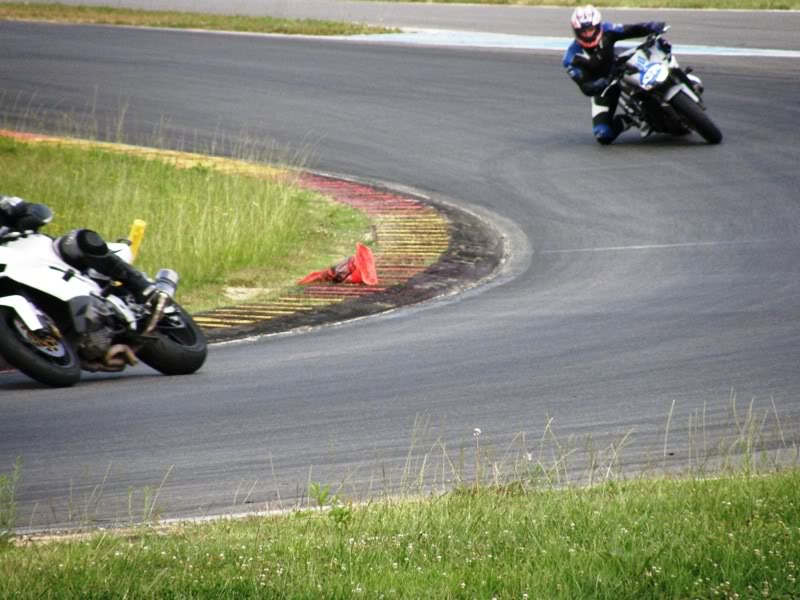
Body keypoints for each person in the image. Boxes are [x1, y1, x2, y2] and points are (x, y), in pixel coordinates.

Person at [0, 195, 155, 303]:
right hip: (10, 283)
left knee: (78, 240)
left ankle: (142, 287)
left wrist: (24, 214)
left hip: (38, 254)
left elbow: (40, 211)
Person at [563, 5, 666, 144]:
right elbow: (585, 86)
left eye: (591, 29)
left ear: (598, 26)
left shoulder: (607, 30)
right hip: (603, 88)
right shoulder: (571, 58)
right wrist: (598, 84)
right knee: (602, 134)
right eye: (583, 32)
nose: (588, 34)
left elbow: (630, 29)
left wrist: (651, 26)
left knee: (656, 48)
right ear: (576, 32)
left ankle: (679, 78)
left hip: (622, 66)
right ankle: (628, 120)